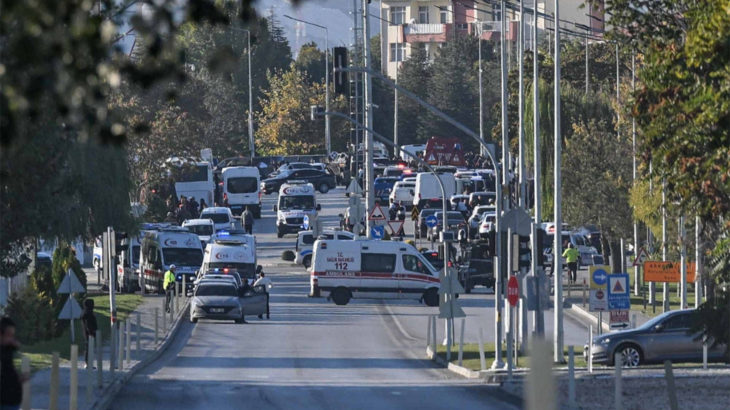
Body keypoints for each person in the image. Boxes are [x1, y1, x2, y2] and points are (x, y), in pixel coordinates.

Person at [1, 317, 25, 410]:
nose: (11, 338)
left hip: (12, 400)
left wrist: (18, 379)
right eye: (9, 335)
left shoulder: (8, 348)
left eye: (12, 335)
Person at [81, 299, 98, 369]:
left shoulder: (85, 313)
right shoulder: (88, 313)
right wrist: (92, 331)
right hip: (89, 333)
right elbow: (88, 324)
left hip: (88, 333)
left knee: (89, 348)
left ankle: (89, 363)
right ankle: (87, 363)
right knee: (88, 348)